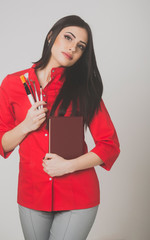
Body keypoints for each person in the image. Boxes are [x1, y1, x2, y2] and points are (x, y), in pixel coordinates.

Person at [0, 15, 120, 240]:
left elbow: (110, 145)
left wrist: (68, 166)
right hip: (32, 194)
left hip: (78, 195)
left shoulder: (84, 90)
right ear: (50, 37)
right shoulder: (12, 84)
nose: (72, 48)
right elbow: (3, 142)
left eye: (80, 46)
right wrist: (26, 125)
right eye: (68, 38)